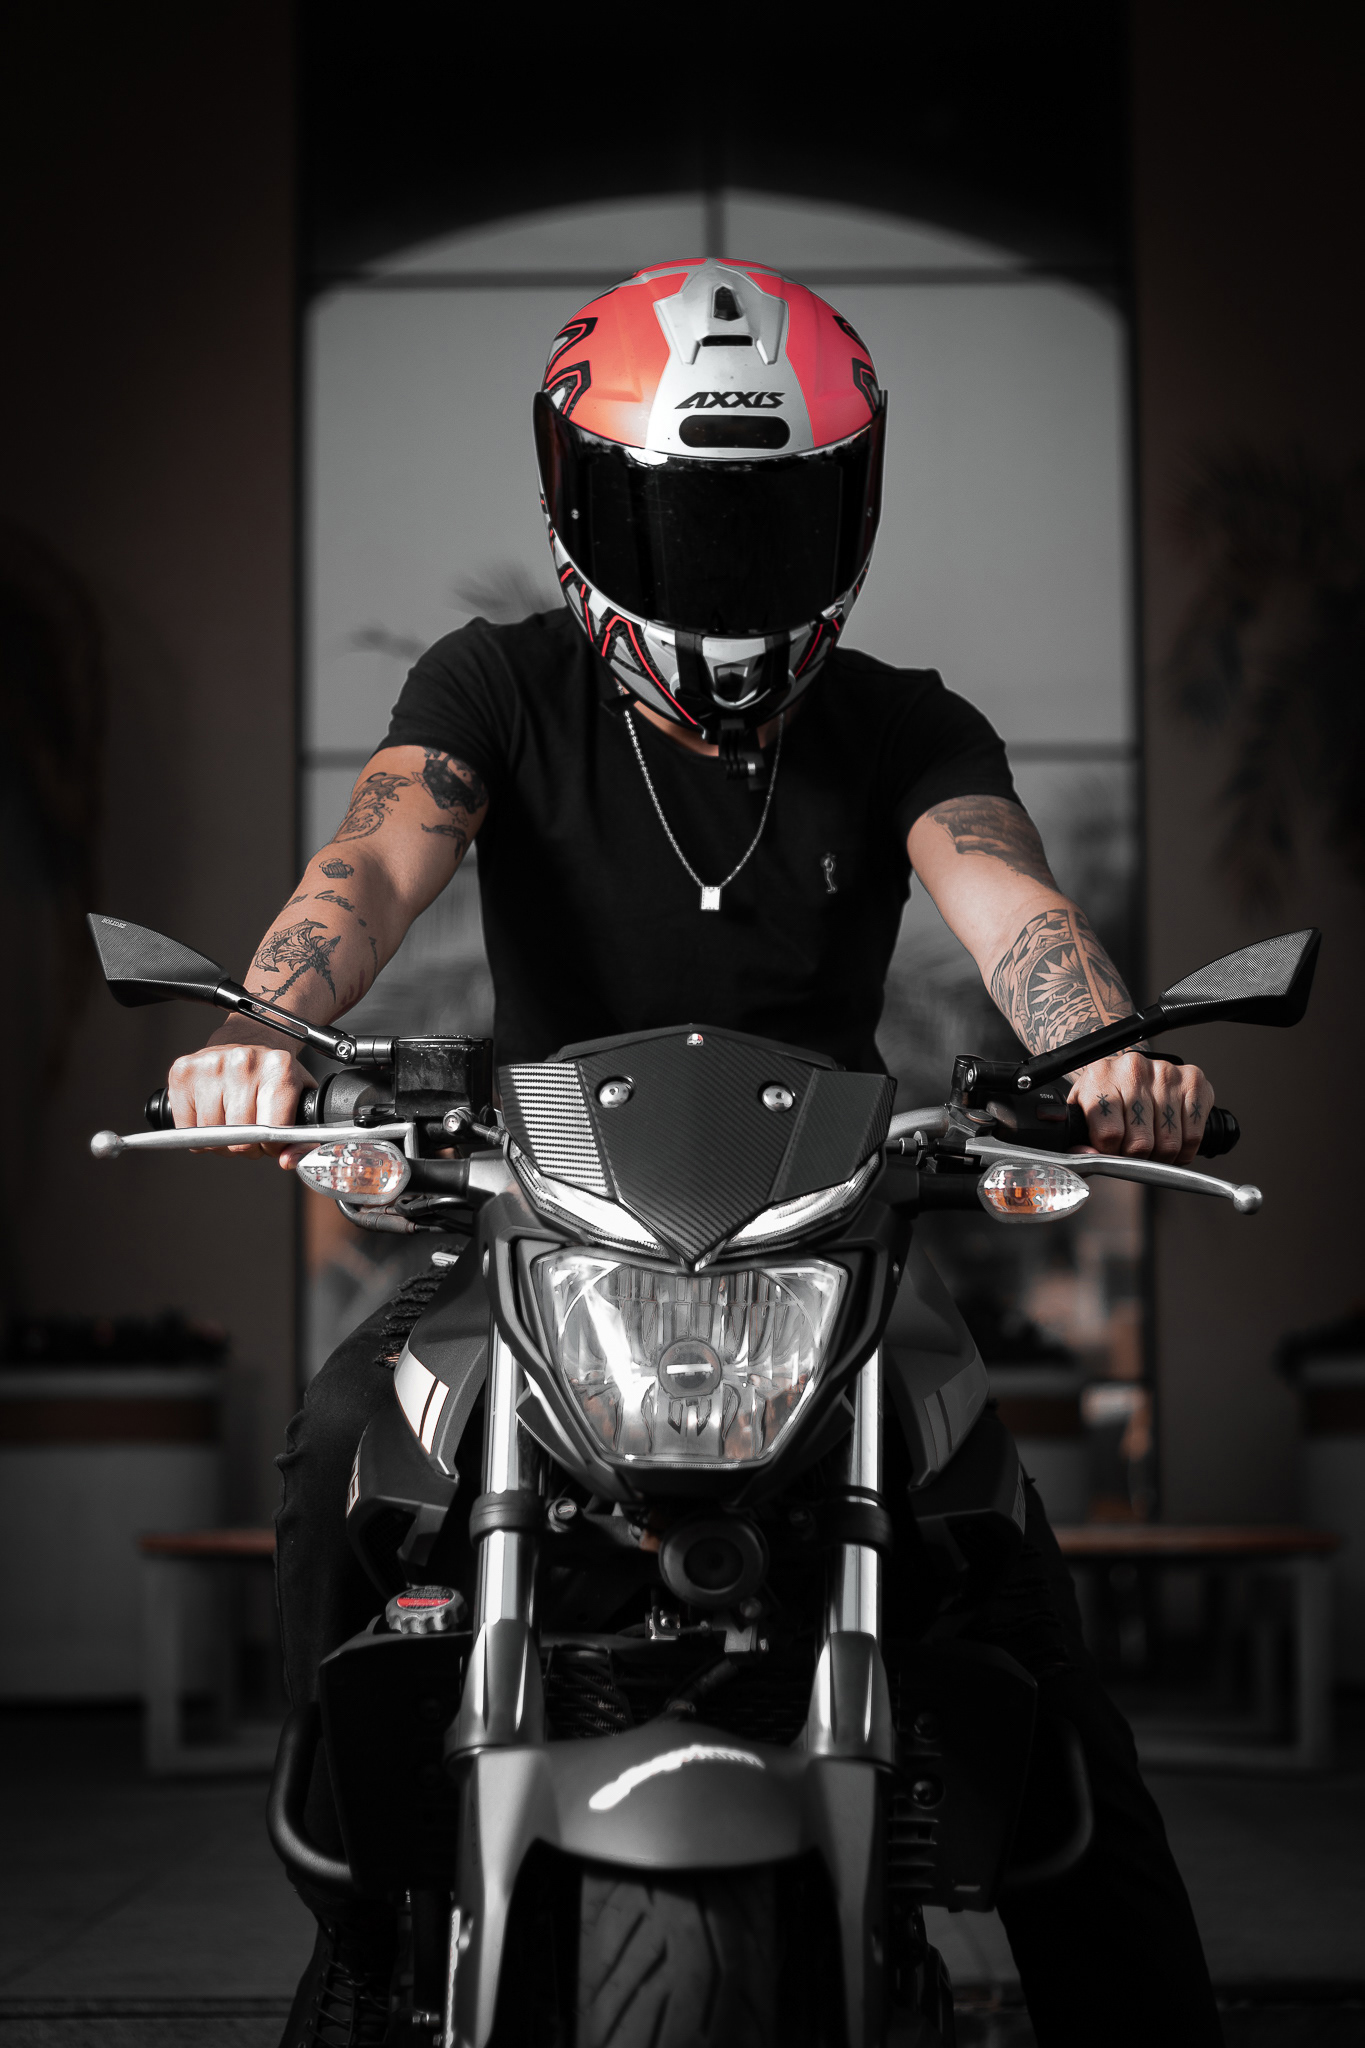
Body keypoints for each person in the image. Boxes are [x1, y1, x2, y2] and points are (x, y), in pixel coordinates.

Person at [169, 261, 1222, 2048]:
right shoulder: (495, 686)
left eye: (767, 524)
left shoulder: (904, 724)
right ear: (576, 501)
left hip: (834, 1251)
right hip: (532, 1233)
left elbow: (1011, 904)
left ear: (849, 509)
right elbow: (369, 866)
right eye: (679, 524)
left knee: (1017, 1615)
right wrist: (266, 1024)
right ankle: (365, 1913)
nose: (724, 573)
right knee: (342, 1447)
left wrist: (1106, 1053)